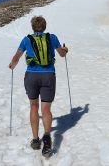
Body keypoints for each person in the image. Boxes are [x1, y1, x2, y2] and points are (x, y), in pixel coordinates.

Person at [8, 16, 68, 157]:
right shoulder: (52, 38)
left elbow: (16, 58)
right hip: (48, 75)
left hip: (31, 76)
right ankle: (47, 137)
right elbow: (61, 54)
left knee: (33, 107)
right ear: (44, 26)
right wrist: (65, 49)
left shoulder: (26, 39)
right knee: (46, 109)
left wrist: (12, 65)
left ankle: (35, 140)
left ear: (33, 27)